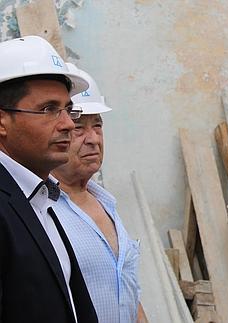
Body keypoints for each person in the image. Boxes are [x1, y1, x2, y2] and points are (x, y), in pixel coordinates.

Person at [0, 36, 98, 322]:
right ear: (2, 122)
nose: (68, 123)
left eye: (68, 109)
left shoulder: (40, 198)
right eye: (48, 109)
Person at [51, 64, 148, 323]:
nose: (93, 139)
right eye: (79, 128)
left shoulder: (106, 203)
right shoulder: (42, 211)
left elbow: (127, 293)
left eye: (98, 126)